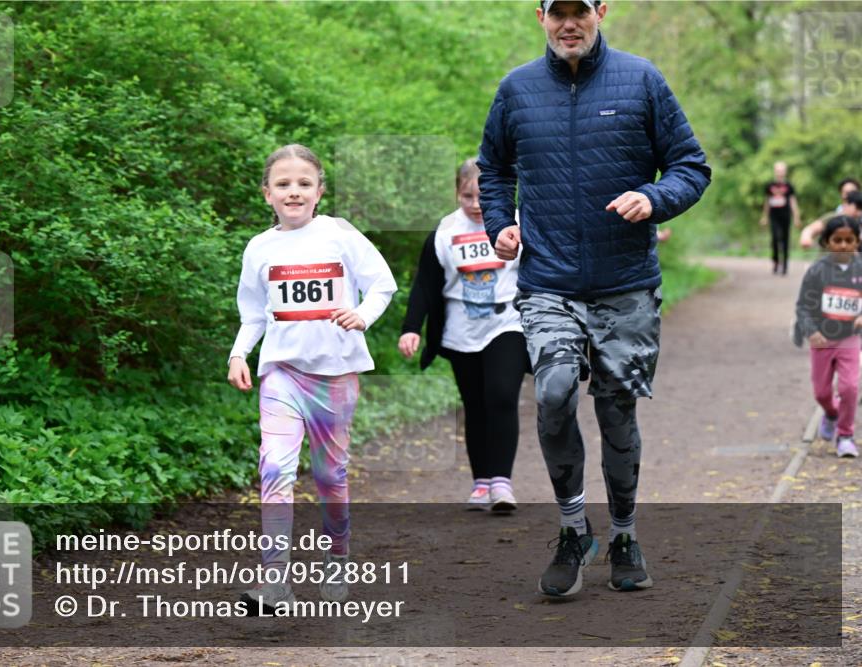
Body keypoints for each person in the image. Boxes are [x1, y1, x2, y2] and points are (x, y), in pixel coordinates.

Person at [477, 0, 711, 596]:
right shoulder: (517, 89)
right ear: (540, 17)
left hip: (625, 284)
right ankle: (574, 527)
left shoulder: (642, 79)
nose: (569, 23)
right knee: (553, 393)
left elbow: (691, 165)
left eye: (580, 10)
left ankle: (626, 534)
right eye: (558, 13)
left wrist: (654, 198)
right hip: (548, 282)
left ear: (601, 11)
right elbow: (494, 168)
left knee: (616, 413)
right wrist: (500, 224)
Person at [227, 144, 397, 612]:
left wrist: (362, 314)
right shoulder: (260, 248)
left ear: (319, 191)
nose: (294, 191)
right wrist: (239, 353)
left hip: (335, 377)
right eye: (283, 184)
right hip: (281, 374)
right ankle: (275, 581)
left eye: (304, 183)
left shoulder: (339, 235)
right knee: (275, 470)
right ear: (267, 194)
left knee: (330, 476)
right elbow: (253, 314)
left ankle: (336, 554)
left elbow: (383, 283)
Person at [398, 158, 531, 512]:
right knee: (475, 406)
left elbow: (546, 266)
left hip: (508, 322)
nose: (476, 205)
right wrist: (412, 328)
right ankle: (481, 482)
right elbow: (425, 285)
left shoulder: (519, 223)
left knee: (502, 396)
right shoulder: (445, 232)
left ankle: (502, 483)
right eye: (468, 196)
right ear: (457, 193)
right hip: (461, 328)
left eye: (484, 197)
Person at [795, 215, 862, 458]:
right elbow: (803, 305)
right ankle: (831, 414)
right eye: (837, 240)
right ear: (826, 242)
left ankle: (845, 435)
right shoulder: (817, 271)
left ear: (857, 242)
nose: (843, 245)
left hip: (850, 339)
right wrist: (811, 330)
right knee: (822, 393)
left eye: (849, 240)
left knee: (850, 387)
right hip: (822, 339)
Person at [759, 161, 801, 275]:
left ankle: (785, 264)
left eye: (782, 170)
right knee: (775, 238)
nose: (780, 173)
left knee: (785, 239)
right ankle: (776, 261)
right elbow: (767, 201)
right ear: (775, 171)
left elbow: (793, 202)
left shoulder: (789, 186)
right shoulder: (770, 186)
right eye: (778, 170)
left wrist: (796, 217)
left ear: (785, 172)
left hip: (786, 216)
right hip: (774, 216)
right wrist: (764, 217)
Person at [800, 182, 862, 249]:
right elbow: (810, 229)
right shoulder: (832, 218)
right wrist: (806, 237)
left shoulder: (859, 221)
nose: (859, 212)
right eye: (858, 207)